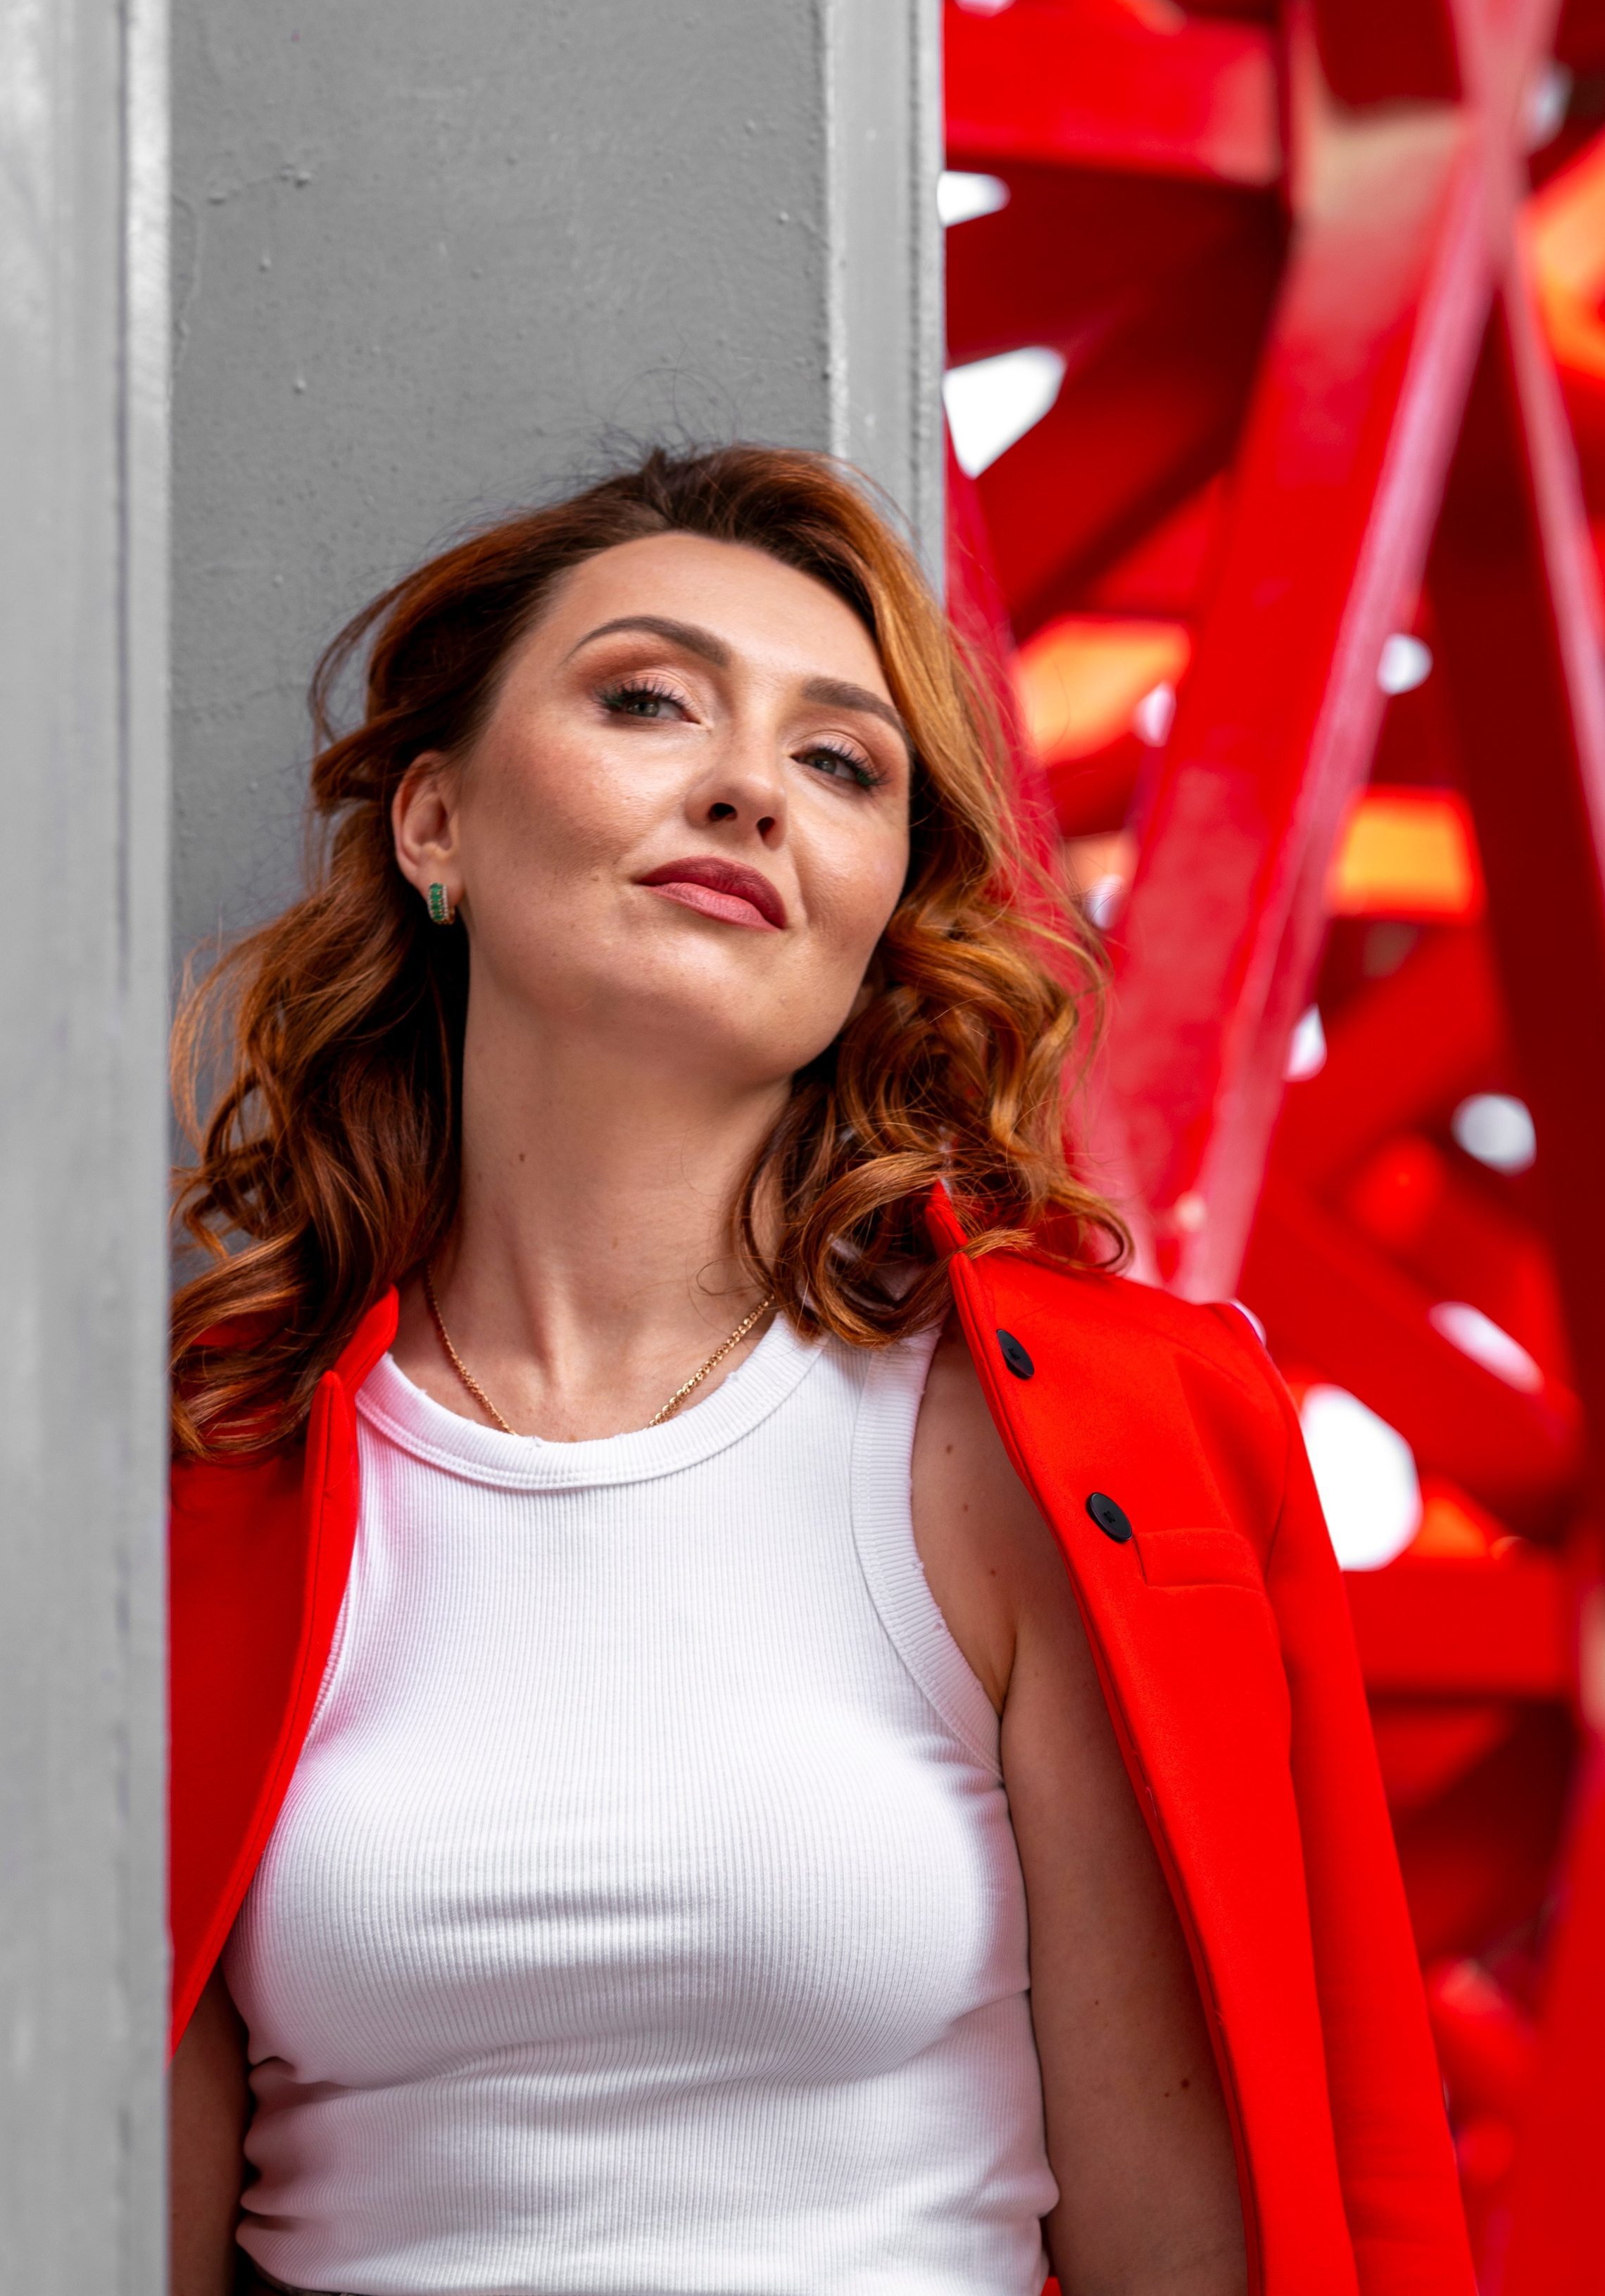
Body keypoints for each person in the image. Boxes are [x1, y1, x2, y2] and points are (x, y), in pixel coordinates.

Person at [168, 444, 1472, 2296]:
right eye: (647, 700)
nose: (746, 790)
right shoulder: (201, 1472)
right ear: (435, 823)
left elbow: (1197, 2235)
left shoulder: (1065, 1445)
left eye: (838, 761)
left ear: (879, 921)